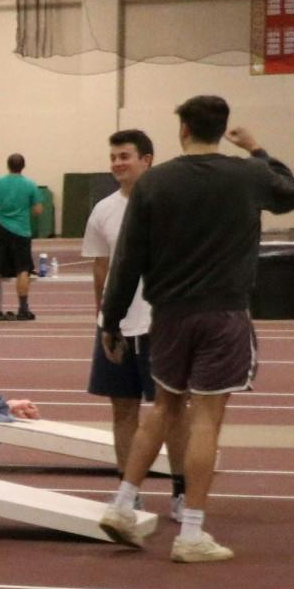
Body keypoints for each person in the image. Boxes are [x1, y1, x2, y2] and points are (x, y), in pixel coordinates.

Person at [100, 97, 294, 562]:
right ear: (222, 129)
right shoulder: (249, 175)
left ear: (183, 130)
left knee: (164, 406)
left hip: (168, 314)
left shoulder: (154, 181)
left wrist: (111, 321)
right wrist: (257, 150)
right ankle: (191, 532)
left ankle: (123, 504)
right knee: (207, 417)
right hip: (223, 313)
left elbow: (128, 257)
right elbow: (292, 193)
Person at [83, 129, 188, 515]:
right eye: (113, 157)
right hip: (118, 326)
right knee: (122, 409)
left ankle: (181, 491)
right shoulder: (103, 211)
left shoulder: (170, 205)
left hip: (161, 323)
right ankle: (130, 492)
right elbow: (100, 269)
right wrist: (103, 322)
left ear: (147, 159)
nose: (117, 163)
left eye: (125, 156)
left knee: (173, 409)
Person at [0, 153, 39, 320]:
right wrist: (25, 211)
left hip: (2, 229)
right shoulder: (30, 185)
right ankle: (23, 307)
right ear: (23, 166)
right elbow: (38, 210)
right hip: (22, 231)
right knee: (23, 269)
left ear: (8, 165)